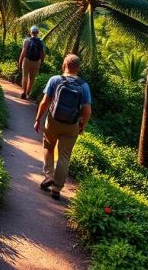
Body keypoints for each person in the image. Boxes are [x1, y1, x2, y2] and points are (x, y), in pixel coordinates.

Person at [33, 54, 91, 201]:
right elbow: (87, 110)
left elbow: (45, 102)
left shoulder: (55, 79)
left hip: (53, 121)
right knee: (64, 156)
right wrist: (82, 125)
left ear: (64, 65)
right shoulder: (84, 86)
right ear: (78, 68)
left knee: (48, 146)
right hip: (71, 125)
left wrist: (38, 119)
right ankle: (57, 189)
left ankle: (49, 176)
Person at [18, 25, 46, 100]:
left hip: (27, 60)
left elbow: (23, 52)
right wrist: (41, 62)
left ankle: (24, 92)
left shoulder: (27, 40)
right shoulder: (41, 41)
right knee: (32, 78)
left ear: (31, 32)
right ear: (38, 32)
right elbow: (42, 54)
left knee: (25, 76)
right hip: (36, 62)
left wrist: (20, 61)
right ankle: (28, 93)